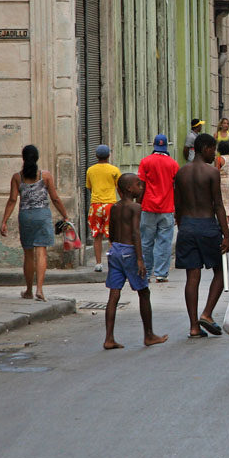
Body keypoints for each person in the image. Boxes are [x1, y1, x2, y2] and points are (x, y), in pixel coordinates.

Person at [102, 173, 168, 350]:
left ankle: (109, 338)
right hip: (130, 251)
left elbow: (112, 231)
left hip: (115, 249)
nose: (142, 187)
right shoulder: (135, 208)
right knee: (144, 292)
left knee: (114, 294)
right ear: (129, 188)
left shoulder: (115, 207)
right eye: (138, 185)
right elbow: (136, 234)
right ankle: (149, 335)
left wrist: (116, 248)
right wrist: (140, 259)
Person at [175, 134, 229, 339]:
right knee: (220, 271)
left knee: (192, 276)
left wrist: (183, 227)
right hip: (207, 225)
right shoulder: (211, 172)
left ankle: (193, 327)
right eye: (212, 149)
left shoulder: (181, 172)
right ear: (205, 148)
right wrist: (226, 234)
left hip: (187, 226)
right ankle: (206, 313)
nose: (214, 153)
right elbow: (218, 205)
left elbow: (178, 206)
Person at [0, 145, 69, 302]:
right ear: (37, 158)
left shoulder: (17, 177)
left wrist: (4, 221)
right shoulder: (45, 176)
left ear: (23, 158)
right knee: (41, 252)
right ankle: (40, 289)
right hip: (42, 215)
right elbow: (55, 198)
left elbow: (12, 200)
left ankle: (29, 290)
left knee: (28, 254)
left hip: (25, 217)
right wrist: (65, 215)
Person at [138, 135, 180, 283]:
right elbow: (177, 188)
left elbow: (141, 186)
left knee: (146, 242)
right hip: (167, 209)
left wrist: (139, 204)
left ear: (154, 145)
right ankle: (161, 273)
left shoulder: (145, 162)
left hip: (148, 207)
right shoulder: (173, 164)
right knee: (164, 242)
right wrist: (176, 209)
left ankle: (146, 272)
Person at [85, 144, 122, 272]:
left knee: (97, 235)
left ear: (96, 156)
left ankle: (98, 263)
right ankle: (112, 262)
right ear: (109, 155)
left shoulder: (90, 170)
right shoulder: (114, 170)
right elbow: (119, 187)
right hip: (110, 205)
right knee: (112, 235)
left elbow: (89, 187)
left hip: (95, 205)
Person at [215, 140, 229, 220]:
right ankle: (227, 219)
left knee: (222, 201)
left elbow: (216, 171)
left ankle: (224, 220)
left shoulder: (219, 159)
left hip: (222, 182)